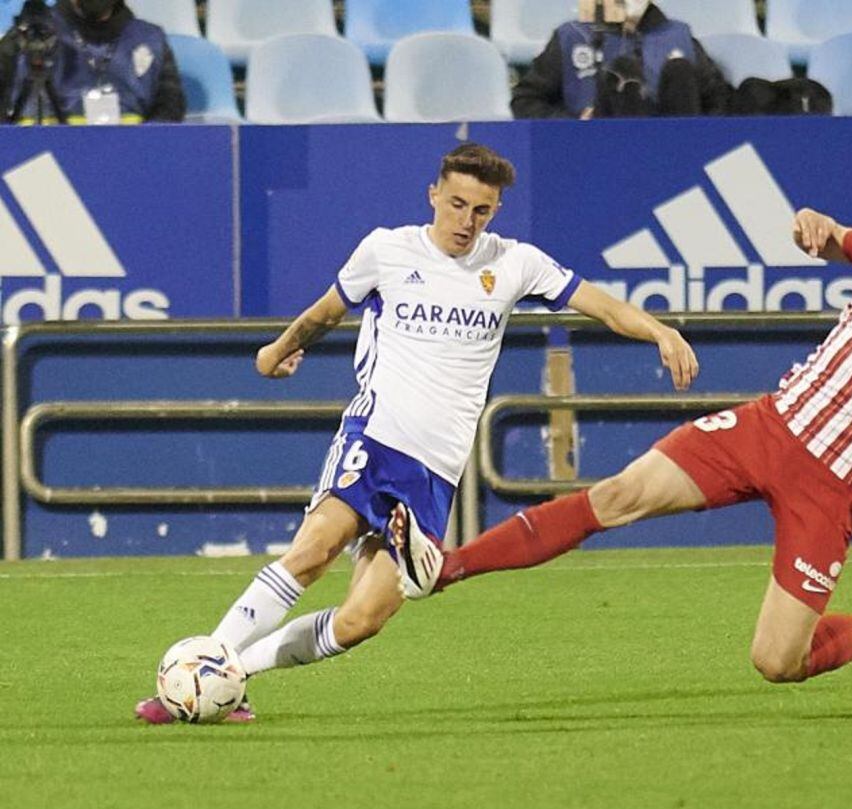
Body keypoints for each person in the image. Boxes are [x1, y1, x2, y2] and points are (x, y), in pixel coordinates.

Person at [134, 142, 699, 723]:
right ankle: (200, 670)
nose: (466, 220)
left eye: (481, 210)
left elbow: (601, 305)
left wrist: (662, 333)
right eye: (456, 204)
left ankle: (232, 678)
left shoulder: (515, 263)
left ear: (495, 211)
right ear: (434, 195)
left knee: (362, 619)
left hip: (434, 475)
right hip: (375, 439)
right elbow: (328, 311)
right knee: (312, 551)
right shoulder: (386, 250)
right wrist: (277, 350)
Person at [402, 173, 852, 694]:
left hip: (830, 486)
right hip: (766, 427)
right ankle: (445, 568)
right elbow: (835, 240)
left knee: (778, 662)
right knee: (617, 496)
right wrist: (816, 227)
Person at [512, 0, 733, 120]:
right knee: (623, 72)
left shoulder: (679, 36)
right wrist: (574, 121)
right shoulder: (571, 36)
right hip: (593, 151)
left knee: (680, 71)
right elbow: (525, 101)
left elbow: (718, 99)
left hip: (676, 152)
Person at [0, 0, 185, 124]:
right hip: (42, 168)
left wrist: (139, 150)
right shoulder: (27, 37)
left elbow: (170, 108)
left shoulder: (151, 40)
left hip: (126, 164)